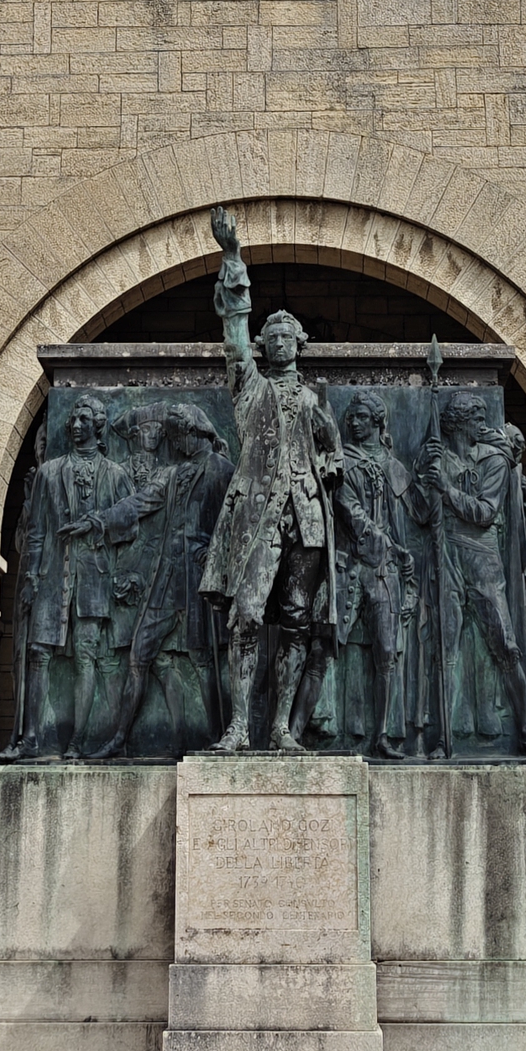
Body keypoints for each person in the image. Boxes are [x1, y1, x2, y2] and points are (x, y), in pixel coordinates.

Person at [196, 209, 344, 753]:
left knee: (298, 621)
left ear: (299, 344)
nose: (279, 343)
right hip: (259, 514)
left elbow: (332, 451)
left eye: (287, 336)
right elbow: (234, 336)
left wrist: (331, 466)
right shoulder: (249, 387)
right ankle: (239, 726)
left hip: (306, 519)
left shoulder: (313, 399)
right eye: (272, 337)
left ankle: (281, 727)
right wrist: (233, 259)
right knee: (247, 615)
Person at [0, 397, 156, 758]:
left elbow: (132, 527)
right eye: (73, 418)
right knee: (39, 654)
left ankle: (78, 741)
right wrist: (31, 578)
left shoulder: (115, 475)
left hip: (94, 580)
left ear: (97, 426)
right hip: (52, 578)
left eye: (84, 419)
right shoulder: (50, 473)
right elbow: (36, 531)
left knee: (86, 655)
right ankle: (31, 738)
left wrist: (99, 530)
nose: (75, 424)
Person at [414, 385, 526, 760]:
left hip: (483, 560)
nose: (482, 424)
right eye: (475, 418)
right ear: (458, 423)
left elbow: (484, 513)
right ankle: (442, 740)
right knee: (444, 648)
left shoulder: (493, 462)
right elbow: (420, 513)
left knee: (507, 647)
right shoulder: (437, 457)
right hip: (446, 557)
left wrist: (445, 489)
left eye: (482, 417)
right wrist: (423, 476)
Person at [90, 399, 231, 757]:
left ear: (194, 432)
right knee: (139, 655)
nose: (175, 443)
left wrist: (216, 554)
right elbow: (140, 502)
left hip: (200, 583)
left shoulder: (222, 470)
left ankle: (220, 735)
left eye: (178, 436)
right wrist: (101, 520)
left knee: (204, 661)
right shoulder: (172, 474)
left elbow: (234, 523)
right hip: (165, 582)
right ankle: (119, 739)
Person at [332, 390, 417, 757]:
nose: (354, 422)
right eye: (351, 417)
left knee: (386, 651)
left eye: (362, 417)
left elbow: (414, 516)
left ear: (378, 422)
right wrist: (389, 544)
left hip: (387, 572)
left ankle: (382, 734)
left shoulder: (394, 466)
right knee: (333, 647)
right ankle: (327, 729)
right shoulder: (344, 462)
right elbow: (350, 513)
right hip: (351, 569)